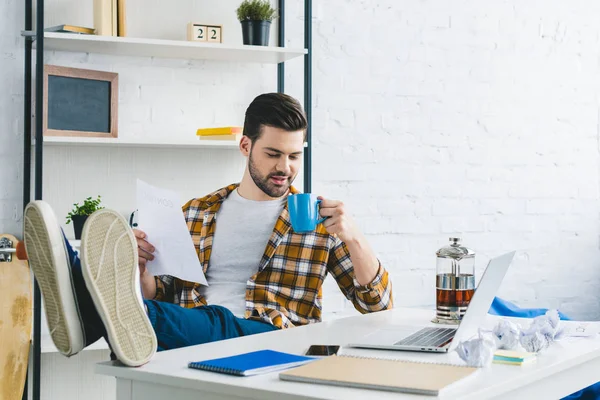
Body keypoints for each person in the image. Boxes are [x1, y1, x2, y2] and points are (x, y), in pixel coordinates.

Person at [23, 93, 393, 367]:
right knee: (173, 313)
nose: (285, 167)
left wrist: (355, 237)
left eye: (294, 156)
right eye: (273, 154)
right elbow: (164, 292)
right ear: (245, 146)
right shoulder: (196, 212)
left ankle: (84, 304)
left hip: (275, 339)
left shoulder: (320, 220)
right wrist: (139, 271)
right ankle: (95, 301)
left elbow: (377, 306)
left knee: (209, 318)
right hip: (189, 332)